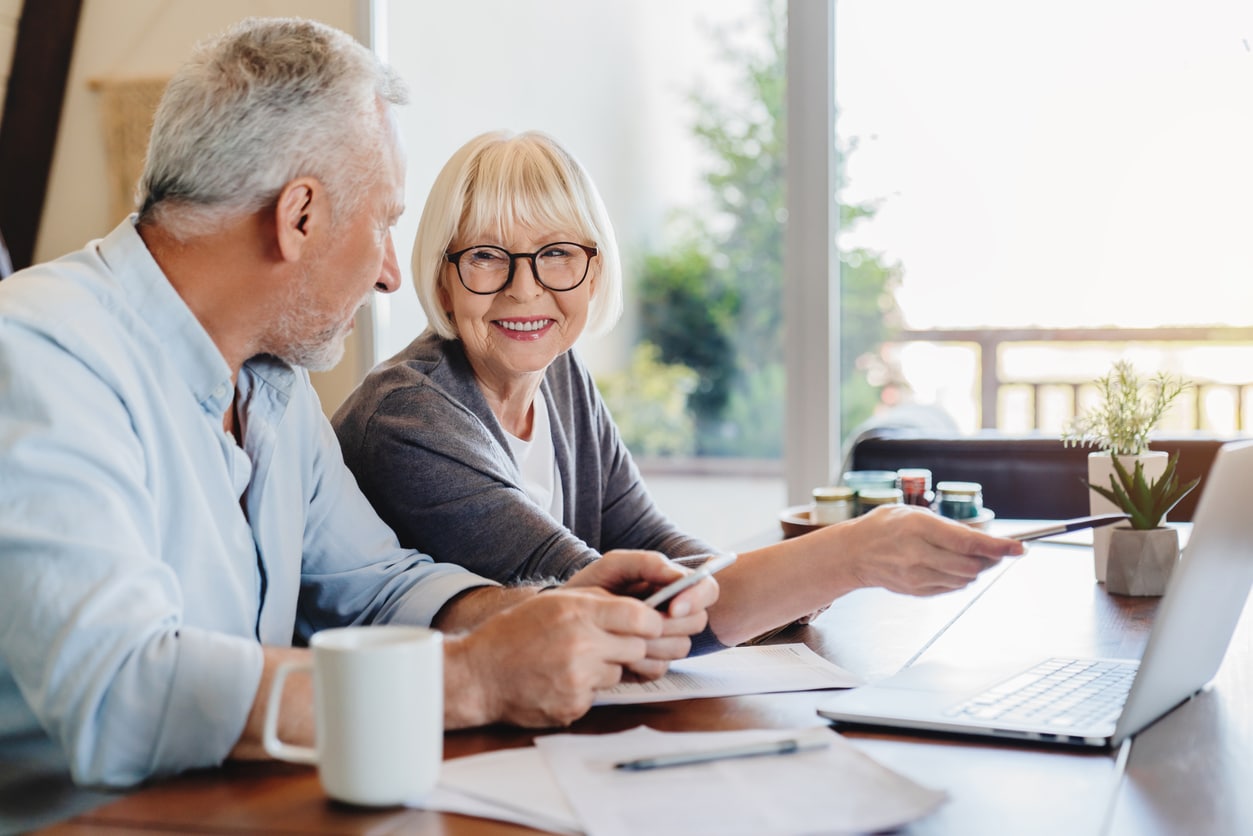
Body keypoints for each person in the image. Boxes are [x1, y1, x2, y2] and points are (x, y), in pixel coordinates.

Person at [0, 20, 717, 790]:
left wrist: (541, 611)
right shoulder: (38, 354)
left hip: (240, 804)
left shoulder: (271, 384)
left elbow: (374, 584)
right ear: (299, 216)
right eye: (383, 223)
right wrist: (471, 679)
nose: (388, 274)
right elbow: (119, 695)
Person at [332, 130, 1025, 651]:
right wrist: (843, 557)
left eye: (556, 255)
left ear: (594, 271)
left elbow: (647, 539)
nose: (524, 288)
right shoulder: (409, 418)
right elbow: (613, 604)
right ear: (443, 275)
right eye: (485, 255)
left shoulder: (561, 377)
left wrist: (778, 589)